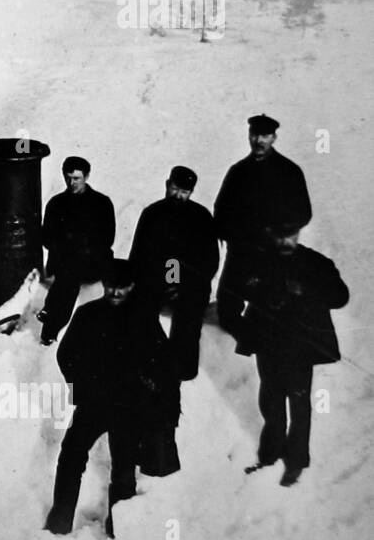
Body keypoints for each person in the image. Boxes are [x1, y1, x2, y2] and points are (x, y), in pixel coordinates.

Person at [44, 258, 171, 538]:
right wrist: (82, 390)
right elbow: (66, 355)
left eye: (122, 288)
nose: (115, 293)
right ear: (104, 284)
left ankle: (120, 530)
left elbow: (162, 361)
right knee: (71, 458)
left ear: (133, 286)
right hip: (94, 404)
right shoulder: (87, 314)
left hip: (129, 407)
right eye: (111, 286)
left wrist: (147, 390)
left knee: (123, 469)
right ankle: (59, 522)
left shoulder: (144, 318)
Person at [239, 222, 347, 486]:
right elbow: (243, 287)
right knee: (271, 400)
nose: (286, 240)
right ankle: (270, 452)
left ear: (299, 233)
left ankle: (296, 461)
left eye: (291, 235)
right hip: (268, 343)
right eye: (281, 235)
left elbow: (340, 297)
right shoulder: (261, 259)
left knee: (299, 403)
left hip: (300, 348)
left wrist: (306, 292)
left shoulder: (315, 263)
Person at [213, 114, 312, 345]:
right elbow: (221, 210)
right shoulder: (238, 172)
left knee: (274, 307)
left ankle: (270, 349)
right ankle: (245, 346)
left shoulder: (289, 172)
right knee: (227, 306)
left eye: (265, 135)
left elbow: (303, 212)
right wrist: (233, 234)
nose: (259, 140)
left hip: (274, 255)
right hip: (241, 253)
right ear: (249, 135)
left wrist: (278, 231)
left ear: (274, 137)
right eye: (255, 134)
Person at [129, 165, 219, 380]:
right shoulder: (152, 213)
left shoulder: (201, 217)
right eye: (176, 189)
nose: (179, 195)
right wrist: (160, 282)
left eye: (185, 192)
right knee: (140, 311)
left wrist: (182, 284)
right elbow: (139, 254)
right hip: (155, 280)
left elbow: (210, 261)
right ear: (167, 185)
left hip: (190, 285)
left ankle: (182, 371)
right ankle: (148, 363)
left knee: (189, 319)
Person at [38, 156, 115, 345]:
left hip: (92, 262)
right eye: (69, 178)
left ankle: (50, 320)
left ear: (86, 176)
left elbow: (107, 239)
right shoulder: (56, 204)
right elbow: (46, 238)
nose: (72, 183)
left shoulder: (101, 203)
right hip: (65, 262)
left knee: (70, 274)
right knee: (69, 275)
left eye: (77, 178)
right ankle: (50, 330)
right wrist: (67, 247)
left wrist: (81, 247)